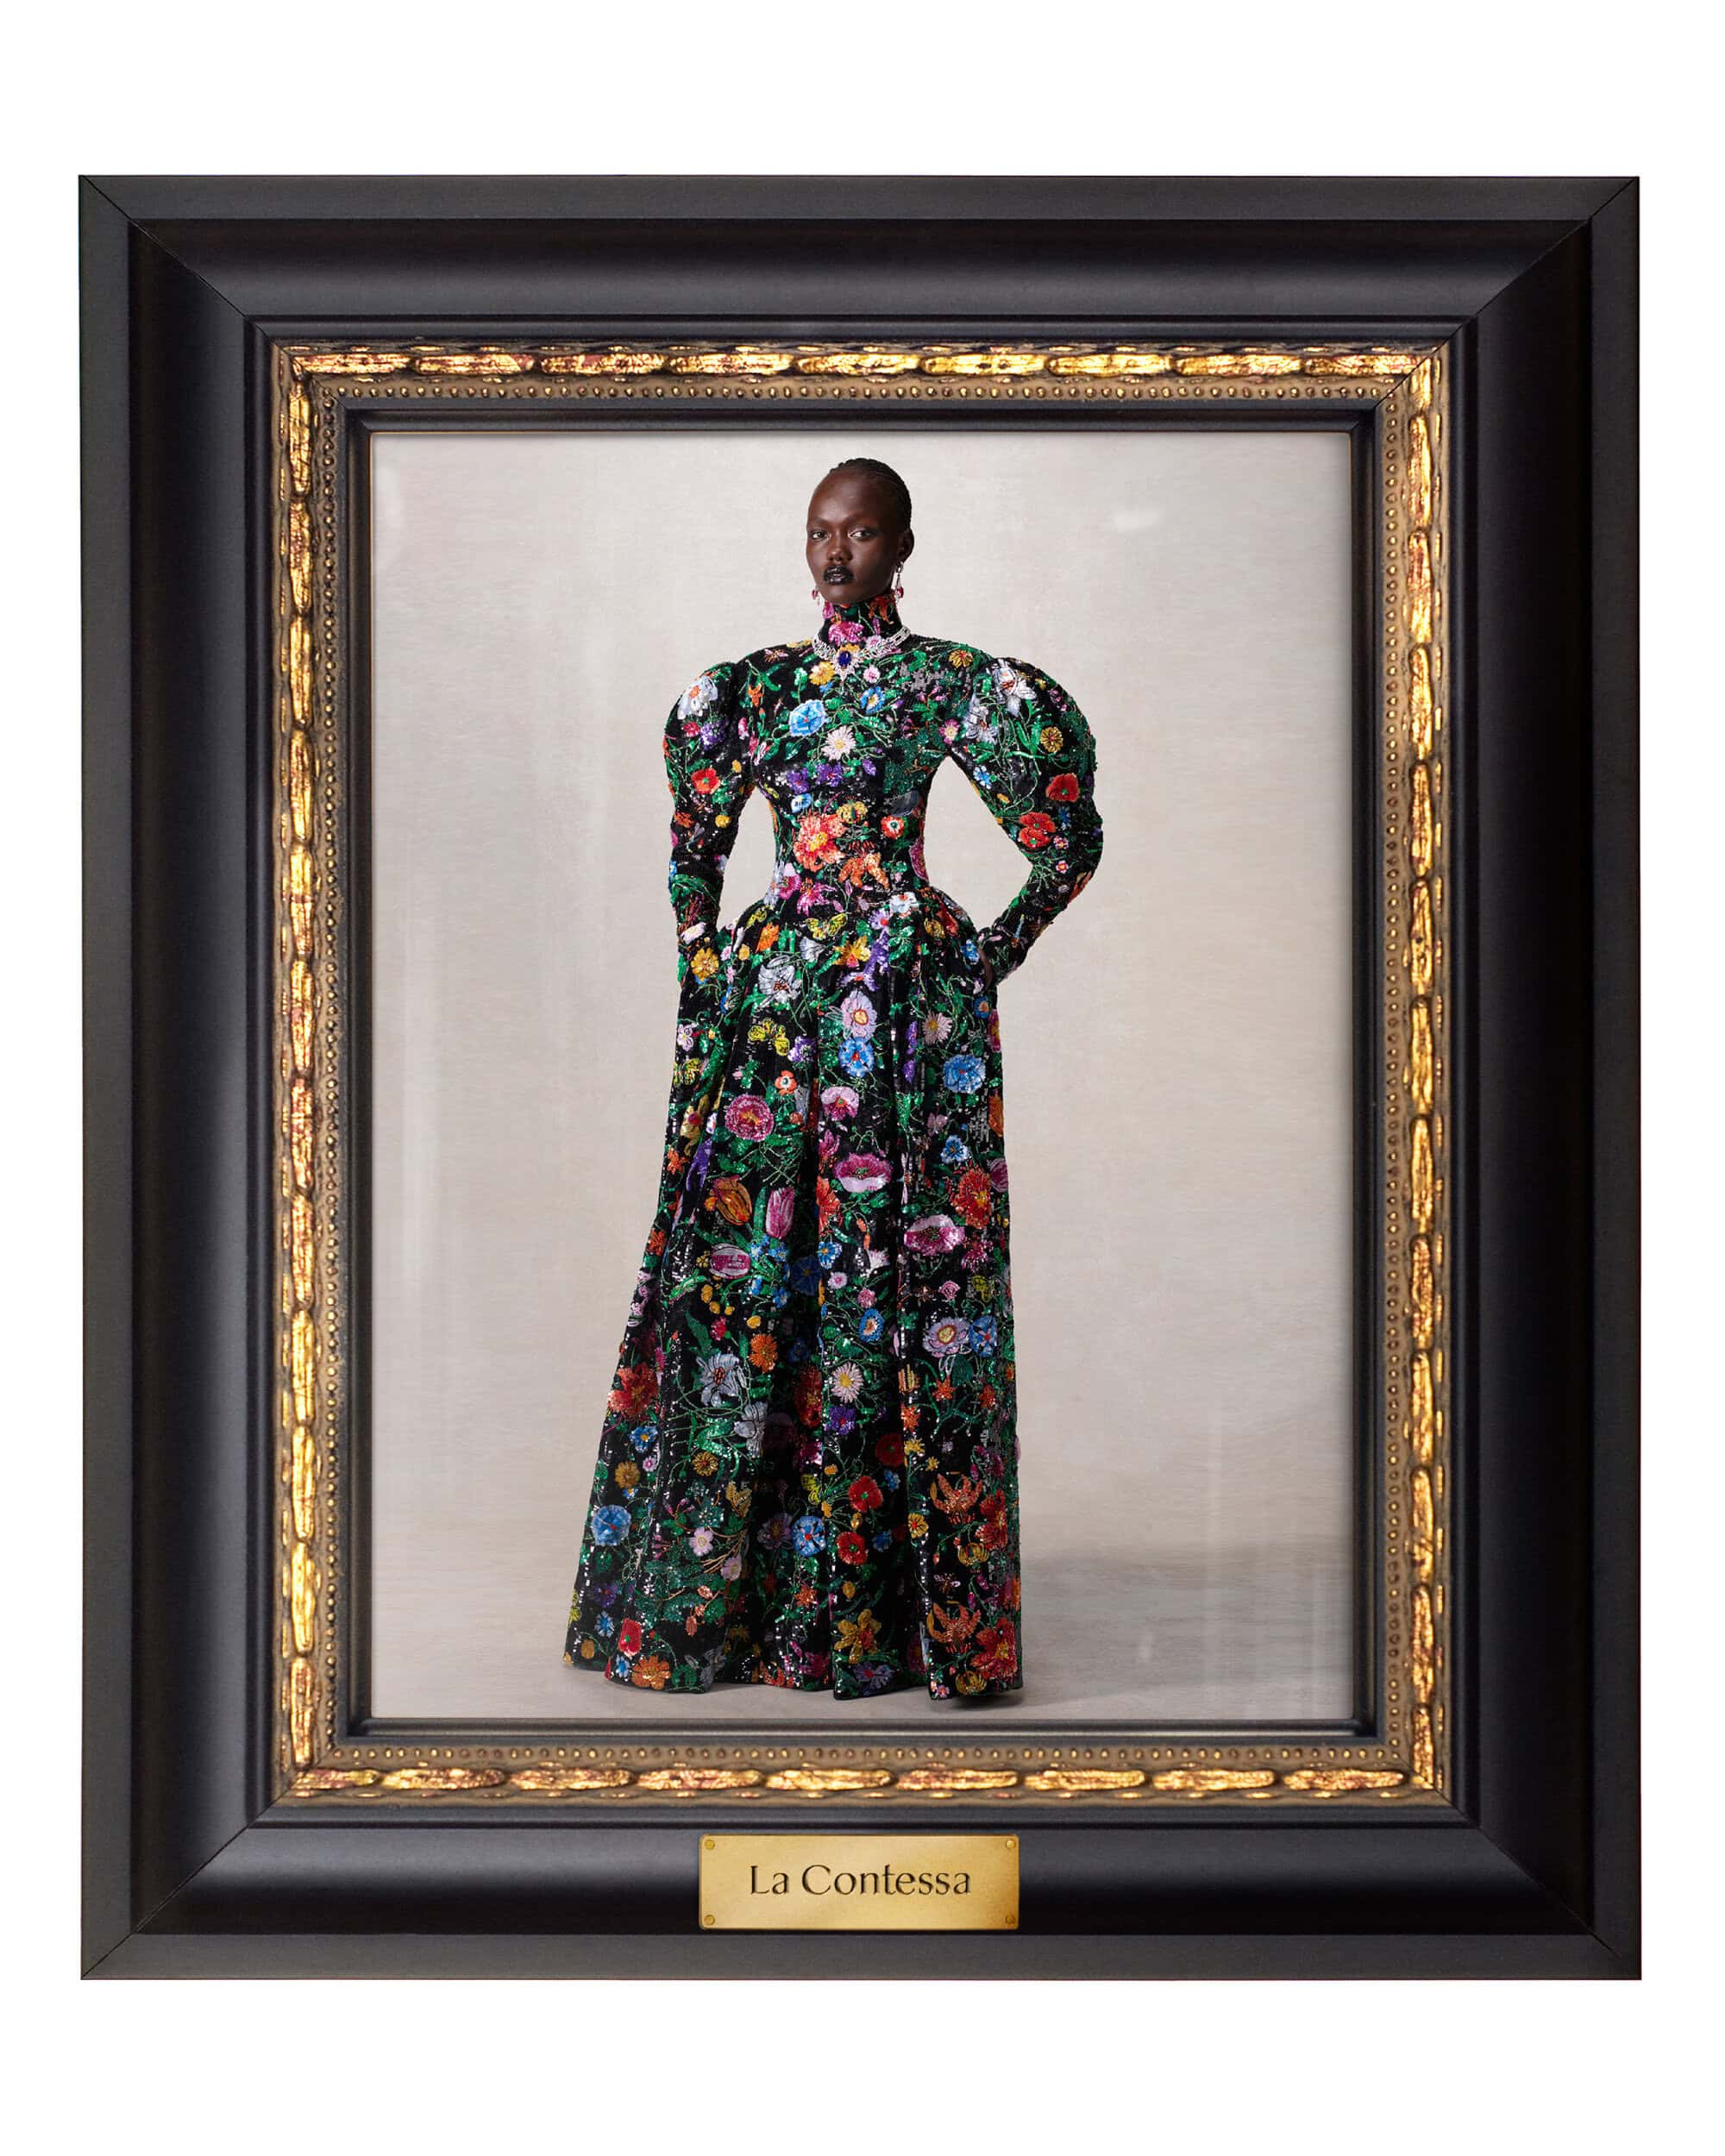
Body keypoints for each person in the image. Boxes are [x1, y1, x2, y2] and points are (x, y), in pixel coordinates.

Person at [563, 456, 1104, 1700]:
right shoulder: (750, 691)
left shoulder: (949, 684)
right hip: (778, 1014)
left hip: (906, 1019)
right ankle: (726, 1606)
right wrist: (710, 979)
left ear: (902, 545)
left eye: (860, 533)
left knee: (904, 1276)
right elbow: (693, 858)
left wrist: (983, 952)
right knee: (754, 1273)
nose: (835, 552)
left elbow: (1066, 838)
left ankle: (889, 1620)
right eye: (820, 531)